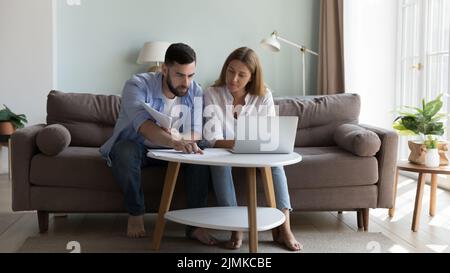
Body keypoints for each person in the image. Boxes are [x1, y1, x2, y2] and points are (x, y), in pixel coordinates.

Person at [100, 43, 217, 245]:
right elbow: (143, 126)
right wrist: (175, 140)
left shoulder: (195, 90)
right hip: (141, 148)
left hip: (176, 151)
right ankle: (136, 213)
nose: (186, 83)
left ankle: (195, 226)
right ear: (164, 69)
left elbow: (197, 130)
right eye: (180, 75)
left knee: (200, 156)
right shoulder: (136, 85)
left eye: (191, 75)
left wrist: (185, 142)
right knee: (124, 151)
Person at [203, 47, 302, 251]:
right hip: (223, 151)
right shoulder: (212, 93)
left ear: (252, 77)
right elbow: (212, 139)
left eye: (242, 75)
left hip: (256, 152)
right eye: (231, 71)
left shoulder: (263, 95)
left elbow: (270, 134)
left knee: (276, 166)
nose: (234, 79)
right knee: (218, 166)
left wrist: (248, 144)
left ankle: (285, 228)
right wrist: (246, 142)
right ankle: (235, 229)